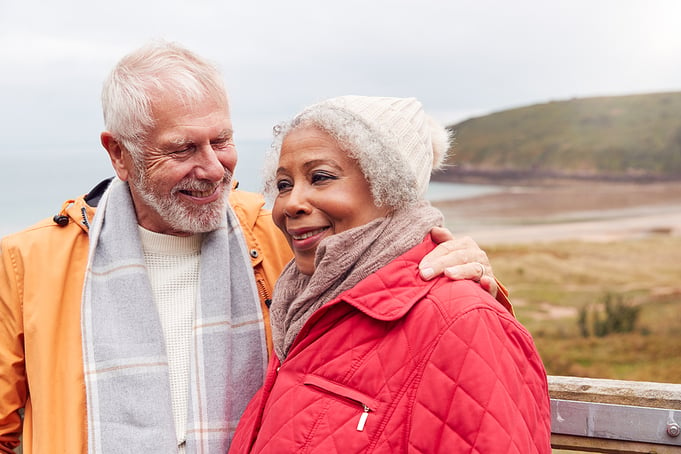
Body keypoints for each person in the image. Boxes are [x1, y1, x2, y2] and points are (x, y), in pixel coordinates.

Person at [0, 42, 508, 453]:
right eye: (182, 148)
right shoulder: (27, 264)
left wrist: (467, 267)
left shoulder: (278, 229)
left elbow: (384, 271)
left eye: (221, 141)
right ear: (120, 154)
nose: (215, 168)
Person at [228, 95, 551, 453]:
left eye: (320, 177)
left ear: (390, 185)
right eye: (284, 184)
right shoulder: (306, 304)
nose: (289, 204)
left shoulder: (463, 321)